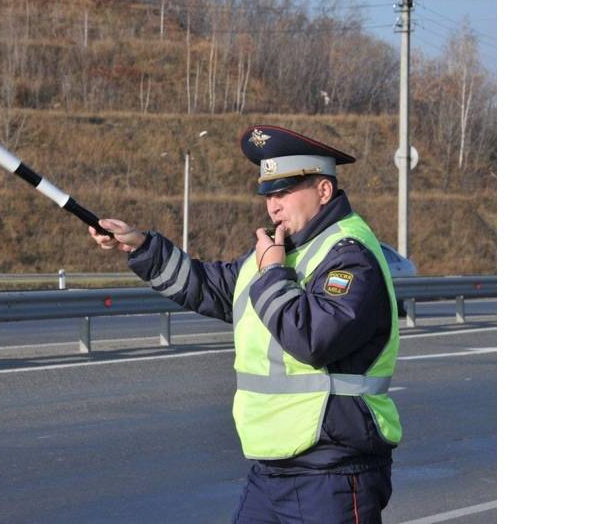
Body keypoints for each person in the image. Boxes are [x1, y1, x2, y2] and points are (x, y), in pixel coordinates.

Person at [89, 125, 401, 523]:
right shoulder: (281, 250)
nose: (273, 207)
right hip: (271, 468)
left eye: (285, 192)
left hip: (332, 469)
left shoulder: (348, 254)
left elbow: (313, 339)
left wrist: (272, 272)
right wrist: (142, 246)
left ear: (323, 190)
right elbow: (212, 288)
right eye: (269, 194)